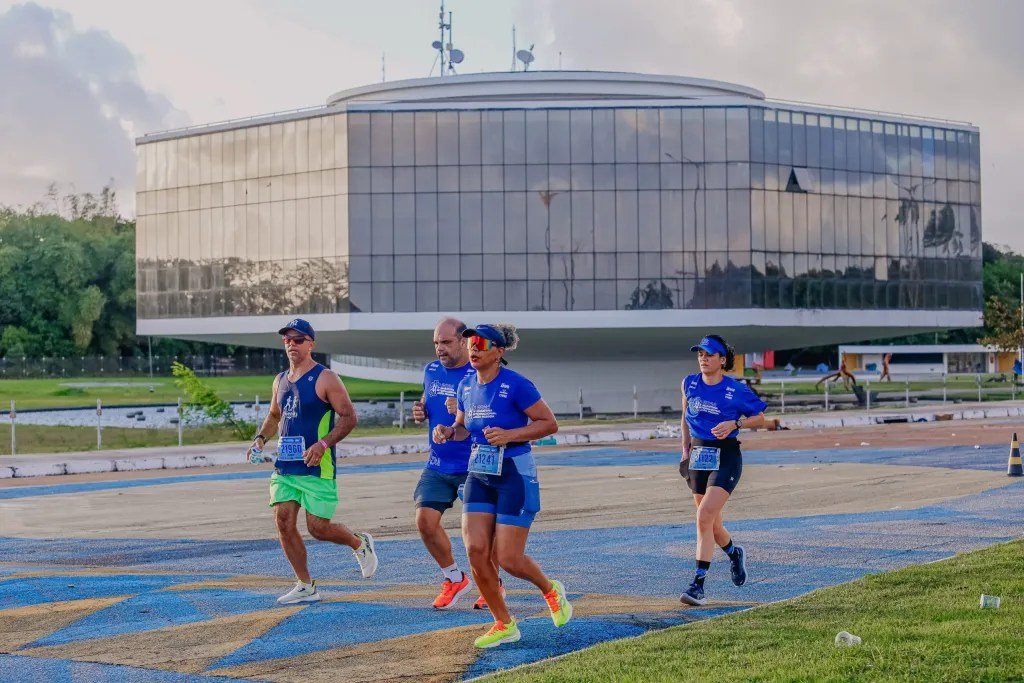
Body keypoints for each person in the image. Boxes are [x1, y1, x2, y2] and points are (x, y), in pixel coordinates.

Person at [432, 323, 572, 648]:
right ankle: (504, 623)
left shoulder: (517, 385)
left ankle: (551, 590)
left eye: (481, 343)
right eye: (469, 342)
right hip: (480, 474)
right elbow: (465, 427)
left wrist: (510, 435)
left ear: (499, 350)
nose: (473, 348)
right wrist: (449, 431)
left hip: (514, 473)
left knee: (508, 559)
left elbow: (549, 423)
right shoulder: (466, 385)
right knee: (476, 551)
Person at [246, 318, 379, 604]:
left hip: (317, 466)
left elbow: (349, 417)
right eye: (287, 340)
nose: (291, 344)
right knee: (283, 521)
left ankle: (359, 543)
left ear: (311, 344)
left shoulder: (325, 378)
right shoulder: (280, 380)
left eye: (298, 339)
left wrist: (323, 444)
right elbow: (273, 416)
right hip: (285, 466)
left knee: (318, 528)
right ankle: (305, 585)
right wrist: (260, 439)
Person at [411, 317, 501, 610]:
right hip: (438, 462)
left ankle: (493, 583)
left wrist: (465, 409)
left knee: (479, 531)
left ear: (463, 341)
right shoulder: (431, 370)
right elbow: (428, 397)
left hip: (474, 464)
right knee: (425, 522)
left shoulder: (478, 373)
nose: (440, 348)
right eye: (436, 343)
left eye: (446, 342)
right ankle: (454, 578)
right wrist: (421, 409)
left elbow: (496, 415)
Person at [678, 335, 769, 606]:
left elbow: (760, 418)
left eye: (709, 354)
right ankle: (734, 553)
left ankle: (698, 585)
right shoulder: (688, 383)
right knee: (712, 525)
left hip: (726, 455)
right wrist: (684, 451)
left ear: (722, 360)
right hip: (698, 455)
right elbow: (684, 417)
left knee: (704, 516)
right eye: (700, 354)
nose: (703, 358)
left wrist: (735, 424)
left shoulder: (735, 389)